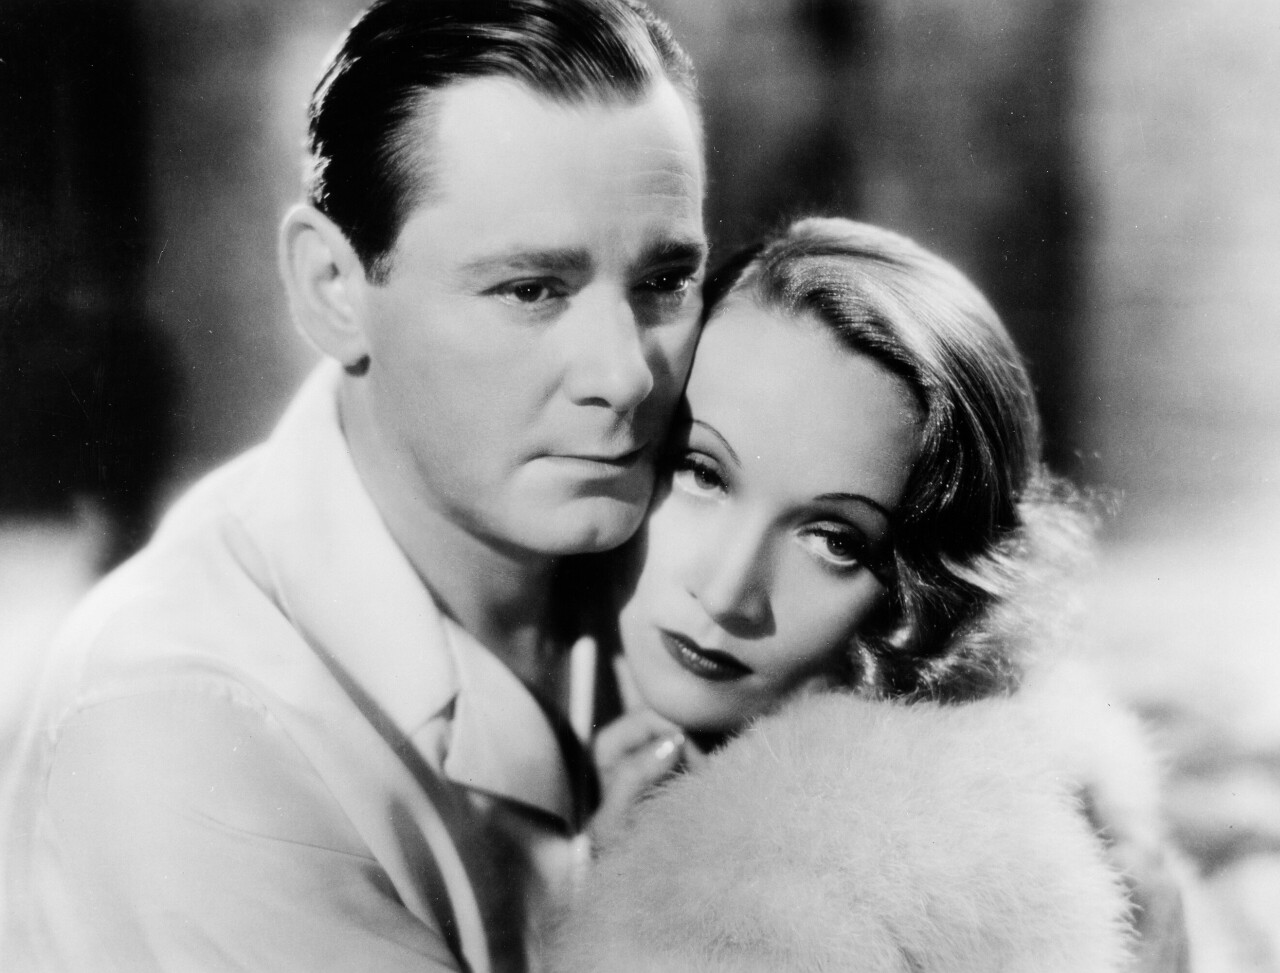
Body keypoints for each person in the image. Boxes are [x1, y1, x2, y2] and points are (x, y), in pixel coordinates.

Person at [0, 1, 706, 971]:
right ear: (331, 287)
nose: (624, 375)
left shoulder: (700, 561)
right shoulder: (175, 717)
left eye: (664, 282)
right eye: (531, 289)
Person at [587, 216, 1191, 969]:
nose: (726, 589)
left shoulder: (768, 904)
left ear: (923, 595)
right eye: (702, 473)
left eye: (834, 539)